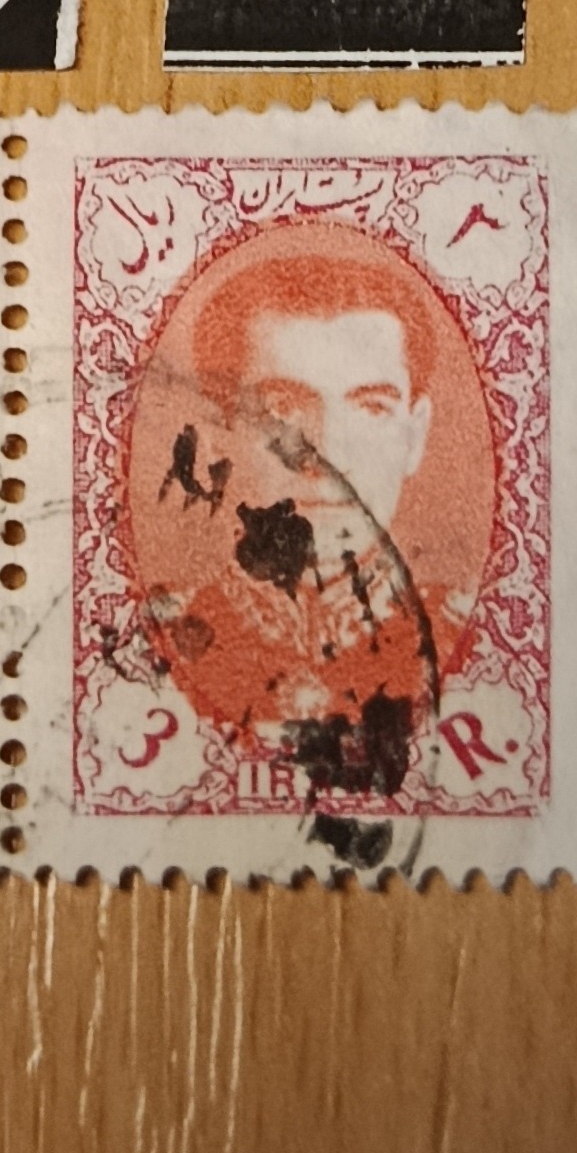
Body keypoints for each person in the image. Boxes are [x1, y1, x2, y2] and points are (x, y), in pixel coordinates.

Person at [147, 251, 474, 792]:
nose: (330, 453)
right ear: (221, 431)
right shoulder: (151, 643)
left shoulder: (466, 634)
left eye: (371, 407)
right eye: (282, 406)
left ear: (414, 436)